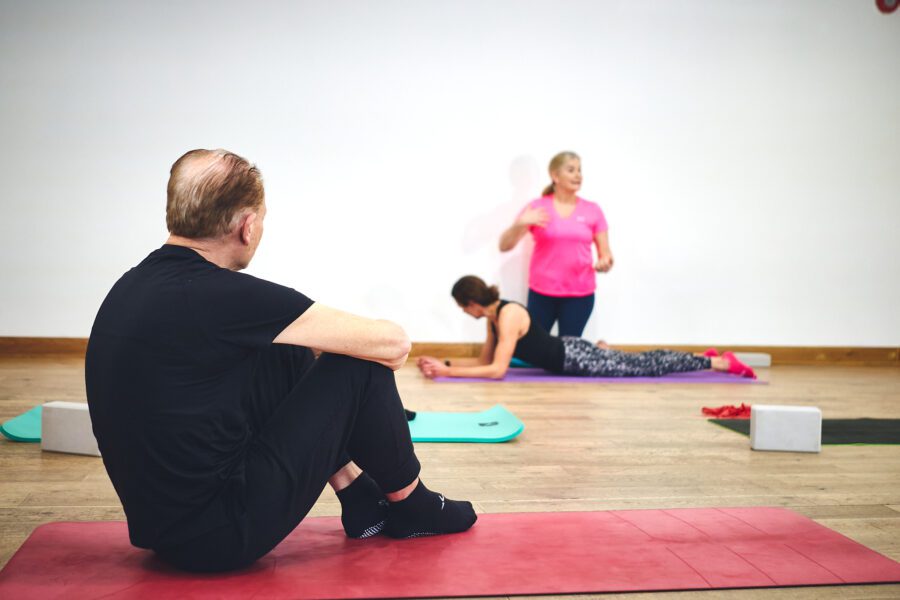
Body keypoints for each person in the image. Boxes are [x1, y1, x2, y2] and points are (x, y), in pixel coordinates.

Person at [85, 149, 476, 573]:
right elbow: (393, 344)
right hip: (223, 534)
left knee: (283, 347)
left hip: (164, 529)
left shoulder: (132, 285)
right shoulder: (226, 295)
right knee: (358, 364)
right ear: (247, 226)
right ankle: (414, 505)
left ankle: (360, 498)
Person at [417, 276, 756, 380]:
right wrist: (445, 365)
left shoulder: (508, 315)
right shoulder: (494, 319)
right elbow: (483, 362)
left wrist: (448, 374)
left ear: (472, 302)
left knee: (647, 365)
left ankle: (717, 362)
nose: (464, 312)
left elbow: (498, 371)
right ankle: (702, 356)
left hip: (576, 358)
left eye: (463, 306)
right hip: (570, 351)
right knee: (638, 361)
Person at [499, 151, 613, 337]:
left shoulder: (593, 210)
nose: (578, 175)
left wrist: (605, 262)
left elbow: (606, 255)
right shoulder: (537, 207)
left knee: (569, 352)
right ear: (555, 176)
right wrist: (520, 223)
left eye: (579, 170)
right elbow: (504, 245)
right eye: (571, 170)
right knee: (535, 350)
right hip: (542, 293)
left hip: (580, 294)